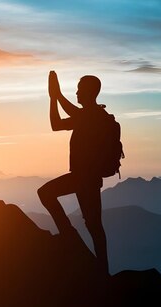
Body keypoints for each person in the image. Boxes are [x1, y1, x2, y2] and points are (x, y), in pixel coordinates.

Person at [37, 71, 110, 274]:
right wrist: (54, 98)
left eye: (79, 89)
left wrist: (57, 96)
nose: (76, 93)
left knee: (46, 194)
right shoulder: (89, 116)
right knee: (94, 225)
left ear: (88, 92)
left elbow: (68, 114)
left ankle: (70, 237)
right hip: (86, 179)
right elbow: (56, 125)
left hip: (84, 178)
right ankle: (102, 269)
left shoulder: (92, 116)